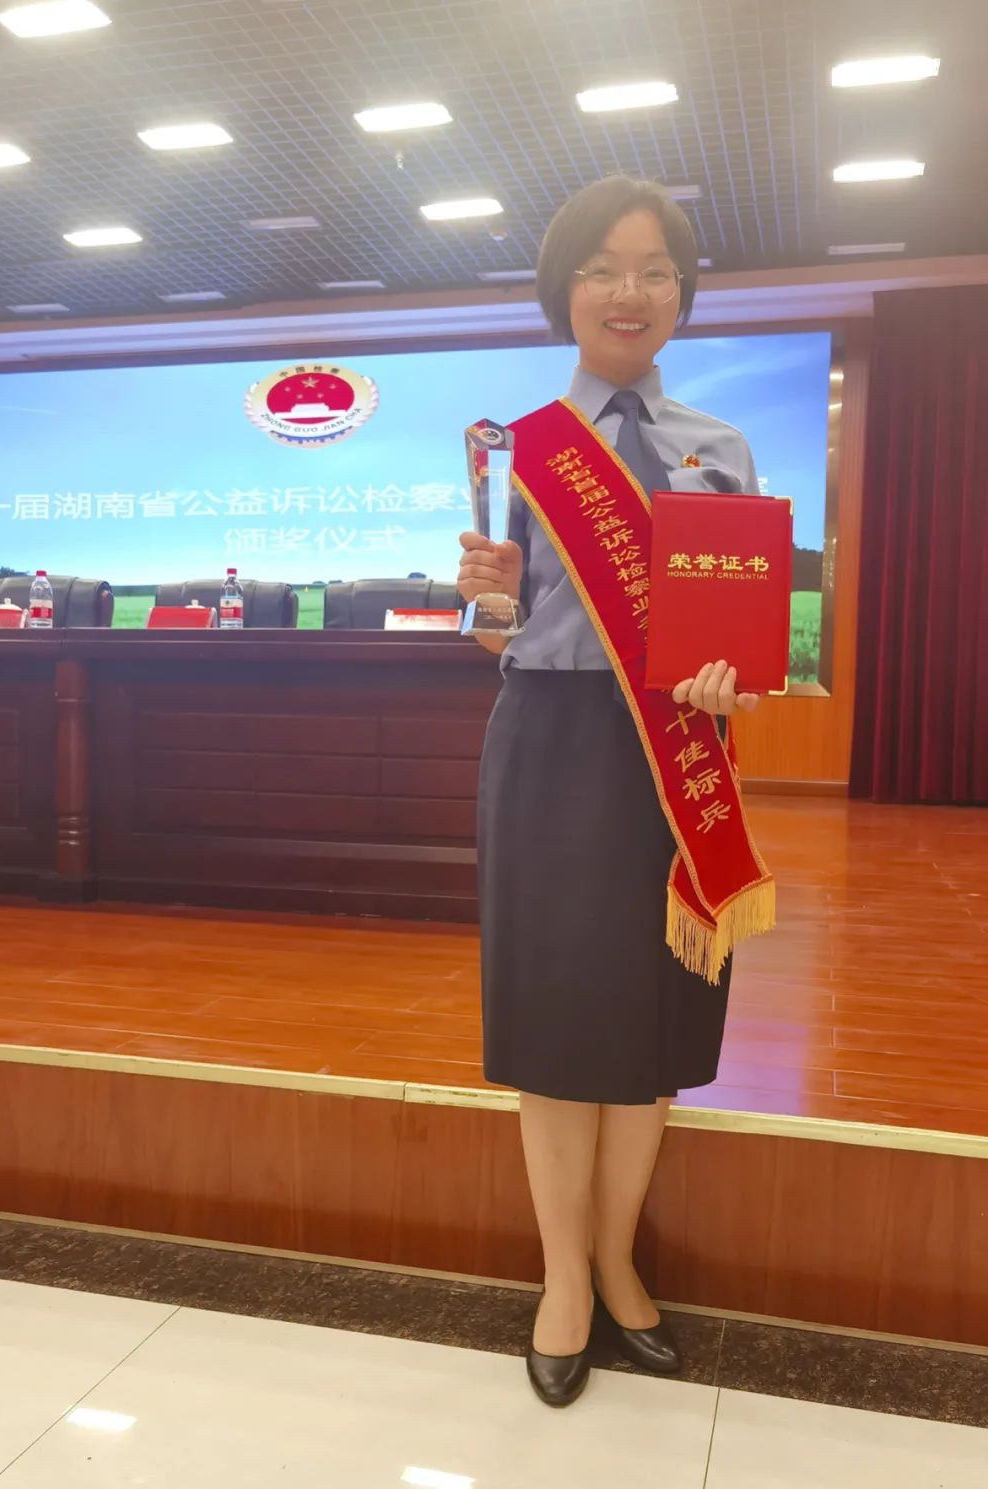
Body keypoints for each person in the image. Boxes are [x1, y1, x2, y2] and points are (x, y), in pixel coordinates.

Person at [457, 176, 772, 1408]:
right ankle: (562, 1280)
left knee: (651, 1025)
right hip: (552, 743)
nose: (628, 291)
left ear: (681, 294)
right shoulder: (522, 447)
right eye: (601, 268)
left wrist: (733, 679)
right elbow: (501, 628)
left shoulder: (721, 448)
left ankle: (617, 1257)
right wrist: (482, 601)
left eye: (653, 270)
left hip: (677, 752)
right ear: (564, 292)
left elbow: (743, 623)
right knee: (556, 1019)